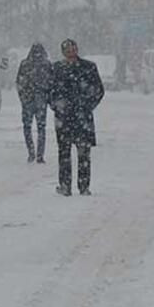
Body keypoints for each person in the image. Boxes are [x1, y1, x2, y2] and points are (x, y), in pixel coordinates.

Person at [50, 39, 105, 196]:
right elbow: (50, 91)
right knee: (64, 153)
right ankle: (66, 186)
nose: (70, 53)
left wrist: (87, 105)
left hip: (82, 118)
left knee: (83, 154)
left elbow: (98, 90)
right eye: (67, 50)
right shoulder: (57, 69)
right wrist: (57, 106)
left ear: (77, 49)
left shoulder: (88, 67)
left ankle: (83, 186)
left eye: (72, 49)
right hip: (65, 118)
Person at [16, 43, 53, 163]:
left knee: (27, 126)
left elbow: (19, 82)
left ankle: (31, 152)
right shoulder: (46, 64)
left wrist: (23, 97)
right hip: (41, 99)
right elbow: (51, 83)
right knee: (41, 128)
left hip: (28, 99)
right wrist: (48, 97)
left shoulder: (25, 64)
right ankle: (40, 155)